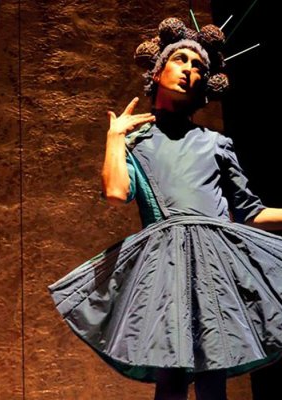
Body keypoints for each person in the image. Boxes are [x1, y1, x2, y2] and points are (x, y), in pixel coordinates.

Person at [49, 17, 282, 400]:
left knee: (213, 376)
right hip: (167, 264)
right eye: (181, 60)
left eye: (198, 67)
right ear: (157, 72)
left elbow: (251, 212)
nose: (189, 70)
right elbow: (115, 192)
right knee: (171, 378)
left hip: (215, 265)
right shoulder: (136, 142)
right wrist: (115, 138)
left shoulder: (215, 144)